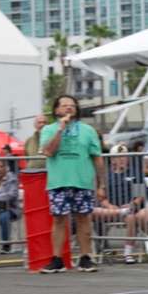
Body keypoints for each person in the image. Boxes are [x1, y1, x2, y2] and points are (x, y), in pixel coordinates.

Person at [39, 94, 104, 273]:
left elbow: (97, 159)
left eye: (72, 105)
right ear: (56, 110)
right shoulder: (48, 129)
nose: (69, 107)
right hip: (59, 182)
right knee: (59, 220)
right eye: (65, 105)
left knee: (83, 219)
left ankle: (85, 257)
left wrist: (102, 185)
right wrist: (60, 129)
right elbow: (48, 152)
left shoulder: (88, 130)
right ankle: (57, 259)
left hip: (82, 181)